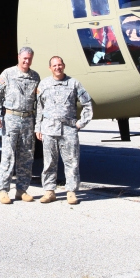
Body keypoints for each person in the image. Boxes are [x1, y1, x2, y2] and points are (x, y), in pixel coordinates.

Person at [35, 56, 93, 205]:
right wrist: (38, 127)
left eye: (59, 65)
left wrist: (81, 123)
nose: (57, 68)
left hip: (69, 129)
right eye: (54, 65)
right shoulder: (44, 84)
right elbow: (39, 108)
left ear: (64, 66)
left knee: (72, 161)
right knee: (49, 163)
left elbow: (87, 103)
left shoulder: (74, 84)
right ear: (50, 68)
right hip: (48, 129)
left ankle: (71, 192)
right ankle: (49, 191)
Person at [0, 47, 40, 204]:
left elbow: (39, 102)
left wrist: (38, 124)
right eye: (24, 58)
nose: (27, 61)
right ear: (19, 57)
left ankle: (22, 190)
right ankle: (3, 190)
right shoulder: (8, 74)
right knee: (8, 155)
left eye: (29, 59)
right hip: (11, 118)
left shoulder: (35, 77)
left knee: (26, 156)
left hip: (28, 120)